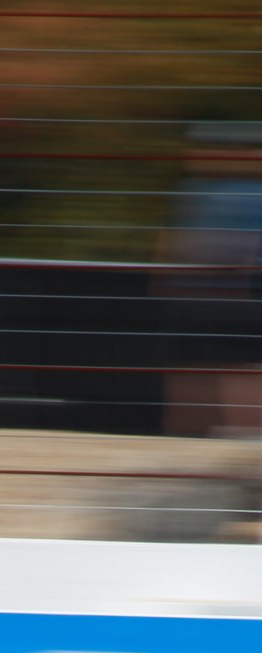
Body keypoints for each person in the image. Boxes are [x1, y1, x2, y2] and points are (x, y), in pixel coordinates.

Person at [159, 122, 262, 438]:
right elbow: (177, 241)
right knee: (202, 366)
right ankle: (195, 435)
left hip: (228, 297)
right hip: (204, 297)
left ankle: (238, 434)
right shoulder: (195, 190)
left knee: (231, 366)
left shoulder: (244, 193)